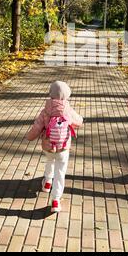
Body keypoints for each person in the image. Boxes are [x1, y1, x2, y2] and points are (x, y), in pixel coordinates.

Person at [26, 81, 83, 212]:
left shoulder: (45, 110)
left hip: (48, 146)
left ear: (51, 94)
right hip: (63, 147)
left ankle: (47, 182)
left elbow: (36, 128)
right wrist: (75, 121)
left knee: (50, 160)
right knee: (60, 172)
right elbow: (79, 122)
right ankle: (56, 200)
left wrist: (29, 137)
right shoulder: (67, 110)